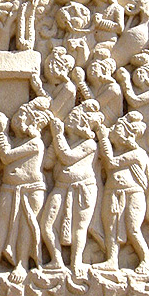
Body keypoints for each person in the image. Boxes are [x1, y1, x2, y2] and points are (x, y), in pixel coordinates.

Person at [0, 97, 51, 283]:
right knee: (0, 223)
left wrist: (0, 133)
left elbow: (8, 156)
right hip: (9, 187)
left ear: (31, 123)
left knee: (25, 226)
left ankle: (22, 263)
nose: (16, 120)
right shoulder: (13, 140)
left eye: (21, 117)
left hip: (30, 189)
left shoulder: (36, 143)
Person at [95, 111, 149, 274]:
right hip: (112, 192)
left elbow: (111, 163)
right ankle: (111, 260)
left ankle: (147, 259)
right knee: (110, 227)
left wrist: (103, 138)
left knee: (132, 228)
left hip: (133, 194)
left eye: (117, 131)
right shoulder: (123, 151)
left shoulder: (138, 154)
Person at [42, 100, 104, 277]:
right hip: (61, 186)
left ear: (82, 125)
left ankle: (76, 262)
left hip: (83, 189)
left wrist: (57, 136)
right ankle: (57, 260)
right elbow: (47, 163)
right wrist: (54, 142)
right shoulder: (61, 140)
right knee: (46, 224)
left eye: (74, 118)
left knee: (80, 227)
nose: (68, 120)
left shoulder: (90, 144)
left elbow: (69, 157)